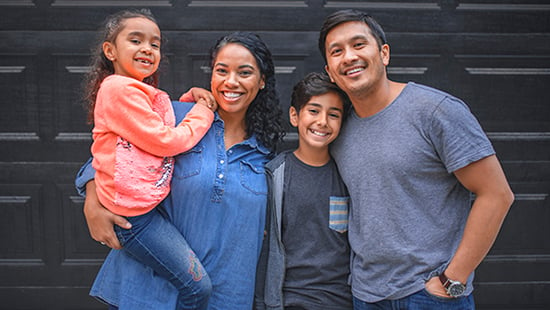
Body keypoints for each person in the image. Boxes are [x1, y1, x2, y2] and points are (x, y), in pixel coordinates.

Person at [318, 9, 514, 309]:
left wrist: (452, 280)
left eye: (359, 45)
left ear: (383, 53)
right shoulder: (338, 128)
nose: (348, 57)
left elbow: (497, 194)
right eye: (337, 51)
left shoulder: (435, 111)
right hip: (365, 295)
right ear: (330, 71)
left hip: (430, 295)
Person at [75, 31, 285, 309]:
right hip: (152, 292)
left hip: (227, 295)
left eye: (244, 73)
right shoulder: (179, 119)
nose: (230, 81)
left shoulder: (267, 154)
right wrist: (92, 200)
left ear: (261, 82)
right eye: (221, 70)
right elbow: (111, 156)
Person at [83, 9, 218, 310]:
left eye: (154, 44)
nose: (147, 48)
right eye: (135, 40)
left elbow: (156, 117)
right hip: (135, 220)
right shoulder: (117, 89)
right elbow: (165, 140)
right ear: (110, 51)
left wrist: (187, 101)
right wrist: (203, 112)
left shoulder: (135, 90)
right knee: (198, 288)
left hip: (144, 210)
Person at [255, 72, 353, 310]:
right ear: (294, 116)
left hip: (341, 301)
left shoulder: (348, 175)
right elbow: (263, 249)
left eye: (333, 115)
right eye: (314, 111)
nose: (322, 121)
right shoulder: (274, 174)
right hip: (289, 300)